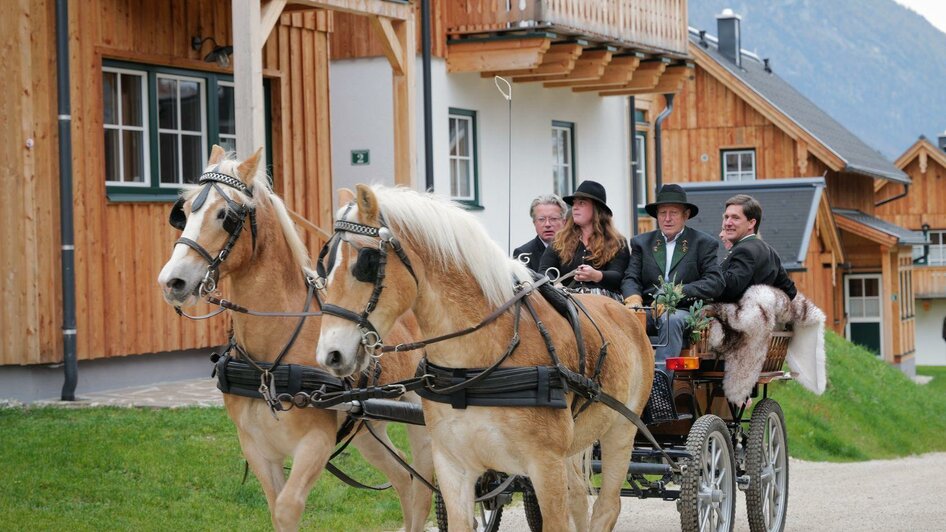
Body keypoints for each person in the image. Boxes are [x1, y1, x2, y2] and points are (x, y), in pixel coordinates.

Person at [621, 184, 724, 364]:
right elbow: (631, 277)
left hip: (684, 310)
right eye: (663, 213)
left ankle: (660, 383)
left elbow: (715, 282)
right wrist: (633, 300)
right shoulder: (642, 242)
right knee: (618, 318)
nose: (667, 219)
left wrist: (675, 293)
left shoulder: (703, 243)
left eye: (674, 213)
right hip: (647, 309)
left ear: (686, 215)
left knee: (671, 319)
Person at [538, 180, 629, 300]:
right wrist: (556, 284)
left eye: (581, 203)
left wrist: (596, 275)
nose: (575, 207)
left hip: (604, 304)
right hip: (567, 301)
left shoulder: (617, 242)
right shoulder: (559, 240)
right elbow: (544, 271)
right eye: (574, 203)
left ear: (596, 208)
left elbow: (619, 276)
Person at [717, 194, 797, 303]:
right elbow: (790, 291)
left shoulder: (743, 251)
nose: (727, 223)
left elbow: (729, 288)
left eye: (735, 218)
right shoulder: (770, 251)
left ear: (751, 223)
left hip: (739, 318)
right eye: (727, 217)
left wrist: (706, 269)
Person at [513, 194, 567, 272]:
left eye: (553, 219)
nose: (547, 224)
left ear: (564, 222)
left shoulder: (576, 249)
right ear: (534, 222)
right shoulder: (524, 253)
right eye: (541, 219)